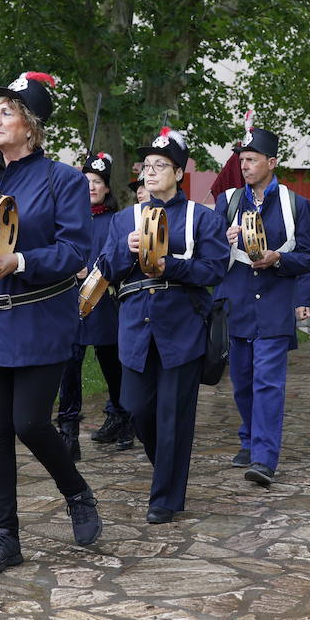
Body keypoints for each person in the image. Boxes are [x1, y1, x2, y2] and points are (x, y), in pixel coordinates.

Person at [0, 72, 101, 574]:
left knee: (29, 422)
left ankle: (76, 491)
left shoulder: (63, 180)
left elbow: (77, 250)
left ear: (31, 126)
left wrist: (20, 262)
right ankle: (4, 537)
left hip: (38, 322)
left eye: (7, 111)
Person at [99, 128, 229, 523]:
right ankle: (168, 470)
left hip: (182, 326)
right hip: (136, 325)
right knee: (137, 410)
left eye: (159, 166)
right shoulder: (126, 218)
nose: (150, 173)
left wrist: (167, 263)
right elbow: (105, 269)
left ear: (179, 172)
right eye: (146, 167)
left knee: (175, 416)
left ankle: (165, 499)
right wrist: (127, 249)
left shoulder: (201, 218)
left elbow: (215, 268)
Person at [214, 124, 310, 487]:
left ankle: (264, 457)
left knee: (268, 383)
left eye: (251, 159)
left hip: (275, 306)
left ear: (271, 162)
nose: (244, 166)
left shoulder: (296, 205)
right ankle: (248, 438)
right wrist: (222, 239)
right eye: (241, 160)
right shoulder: (227, 202)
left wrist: (278, 259)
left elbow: (308, 257)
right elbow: (210, 253)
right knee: (242, 383)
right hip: (239, 303)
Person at [57, 153, 131, 457]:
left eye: (97, 182)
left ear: (106, 188)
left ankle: (123, 419)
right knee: (69, 368)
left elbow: (119, 258)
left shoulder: (115, 221)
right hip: (70, 303)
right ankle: (69, 432)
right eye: (86, 181)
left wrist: (96, 272)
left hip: (103, 302)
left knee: (112, 366)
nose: (91, 187)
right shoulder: (68, 219)